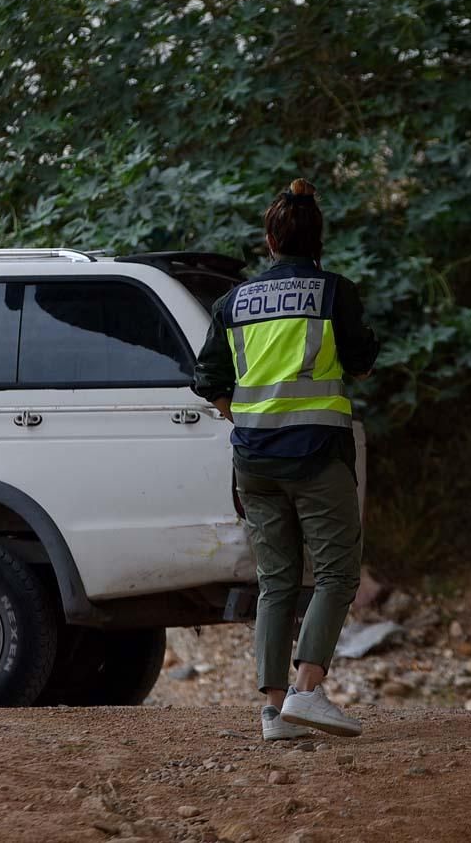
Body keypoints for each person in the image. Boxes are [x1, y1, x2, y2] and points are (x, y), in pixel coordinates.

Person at [193, 178, 379, 740]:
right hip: (318, 456)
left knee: (275, 582)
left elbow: (207, 380)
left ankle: (274, 714)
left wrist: (246, 422)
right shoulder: (333, 292)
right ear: (317, 240)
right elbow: (362, 363)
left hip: (254, 461)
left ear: (269, 240)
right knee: (337, 575)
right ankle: (306, 692)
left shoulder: (234, 303)